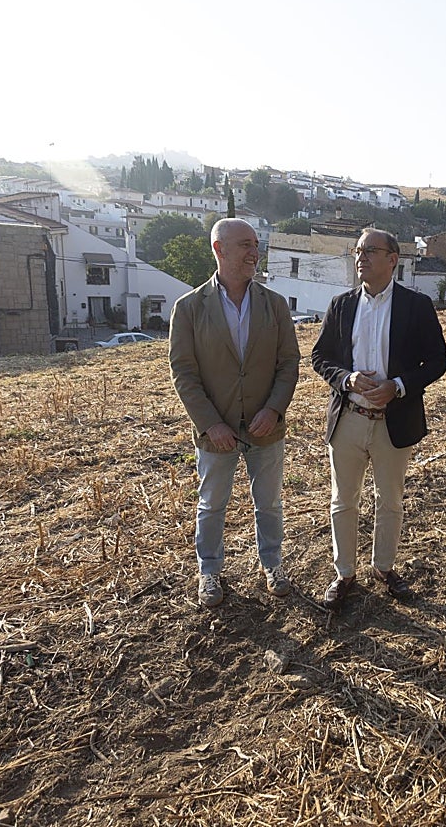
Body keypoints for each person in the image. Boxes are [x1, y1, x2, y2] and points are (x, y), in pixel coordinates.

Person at [311, 228, 446, 607]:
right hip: (349, 419)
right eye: (358, 251)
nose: (361, 257)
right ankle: (344, 574)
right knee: (343, 500)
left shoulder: (416, 306)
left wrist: (399, 386)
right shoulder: (341, 304)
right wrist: (347, 378)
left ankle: (384, 568)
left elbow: (438, 361)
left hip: (394, 418)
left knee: (389, 499)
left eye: (371, 250)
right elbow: (320, 357)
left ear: (393, 259)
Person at [169, 218, 301, 608]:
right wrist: (210, 423)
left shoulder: (274, 305)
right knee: (211, 504)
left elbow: (288, 363)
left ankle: (272, 564)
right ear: (219, 249)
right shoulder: (189, 308)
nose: (253, 252)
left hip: (266, 428)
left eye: (256, 244)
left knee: (270, 503)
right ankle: (208, 572)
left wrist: (274, 409)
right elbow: (184, 372)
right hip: (217, 432)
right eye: (245, 244)